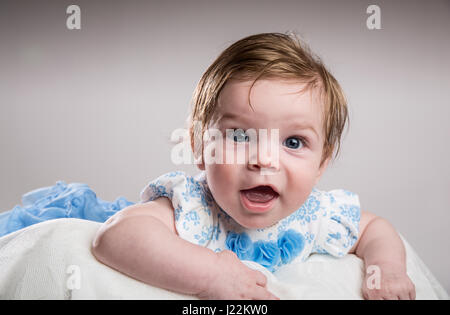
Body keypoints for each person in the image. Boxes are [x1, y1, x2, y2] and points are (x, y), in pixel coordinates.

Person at [91, 32, 416, 300]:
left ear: (322, 162)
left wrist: (386, 269)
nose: (264, 160)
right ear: (200, 146)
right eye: (240, 135)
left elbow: (375, 229)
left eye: (293, 142)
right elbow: (116, 236)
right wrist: (212, 276)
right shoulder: (191, 205)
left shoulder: (316, 214)